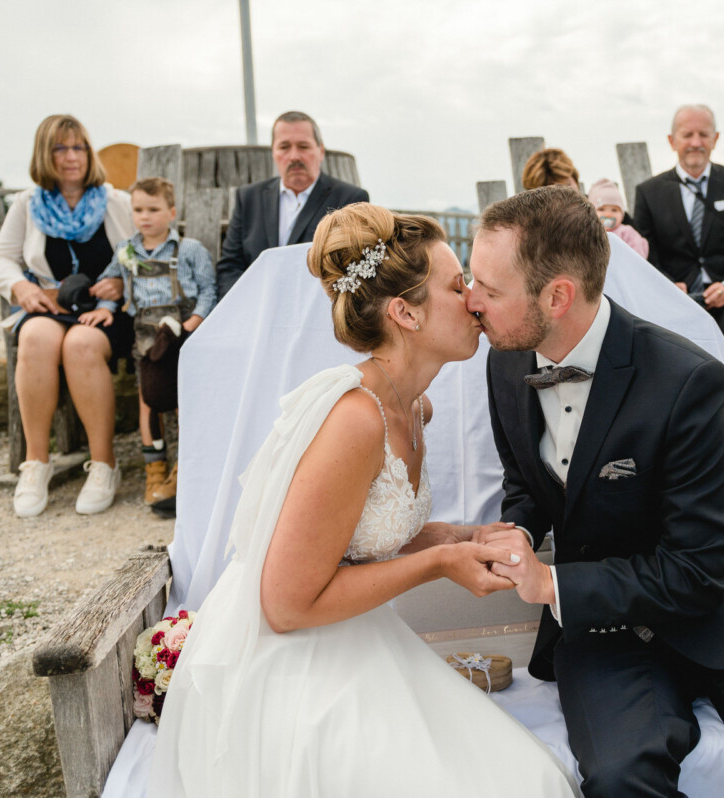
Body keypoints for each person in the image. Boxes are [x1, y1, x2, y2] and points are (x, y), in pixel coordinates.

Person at [467, 186, 724, 798]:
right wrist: (520, 532)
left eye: (488, 288)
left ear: (557, 296)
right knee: (619, 779)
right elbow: (524, 481)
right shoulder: (506, 361)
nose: (470, 300)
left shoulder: (687, 380)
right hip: (606, 631)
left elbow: (701, 567)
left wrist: (551, 583)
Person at [150, 204, 581, 796]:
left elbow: (358, 539)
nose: (476, 299)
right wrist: (436, 564)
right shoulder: (354, 421)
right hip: (292, 666)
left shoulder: (413, 405)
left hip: (358, 635)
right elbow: (285, 606)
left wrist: (457, 537)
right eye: (459, 286)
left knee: (527, 775)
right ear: (405, 312)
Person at [0, 114, 134, 518]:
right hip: (51, 306)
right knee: (34, 339)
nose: (72, 157)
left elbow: (143, 253)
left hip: (106, 314)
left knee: (81, 345)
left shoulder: (115, 201)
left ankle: (104, 465)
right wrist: (22, 288)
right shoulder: (27, 204)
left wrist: (121, 283)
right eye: (61, 148)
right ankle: (36, 464)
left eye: (79, 147)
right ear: (45, 155)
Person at [633, 104, 724, 450]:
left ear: (715, 139)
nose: (695, 142)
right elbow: (645, 255)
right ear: (672, 140)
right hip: (675, 297)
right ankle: (676, 429)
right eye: (687, 135)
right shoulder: (649, 192)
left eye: (703, 134)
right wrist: (667, 286)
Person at [88, 177, 217, 506]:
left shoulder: (189, 250)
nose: (145, 217)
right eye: (138, 210)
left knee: (183, 401)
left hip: (182, 337)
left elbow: (208, 291)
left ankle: (185, 469)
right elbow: (109, 280)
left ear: (171, 212)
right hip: (146, 338)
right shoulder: (126, 250)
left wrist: (191, 324)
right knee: (149, 400)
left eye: (154, 209)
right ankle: (154, 470)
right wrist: (104, 308)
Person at [215, 111, 369, 299]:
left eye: (303, 146)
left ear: (320, 151)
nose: (294, 156)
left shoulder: (349, 200)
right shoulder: (248, 198)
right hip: (257, 313)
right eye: (284, 147)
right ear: (273, 152)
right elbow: (230, 266)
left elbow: (354, 269)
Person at [587, 178, 648, 258]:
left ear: (622, 215)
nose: (608, 214)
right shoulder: (590, 233)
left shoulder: (626, 232)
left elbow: (638, 253)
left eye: (614, 210)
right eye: (601, 209)